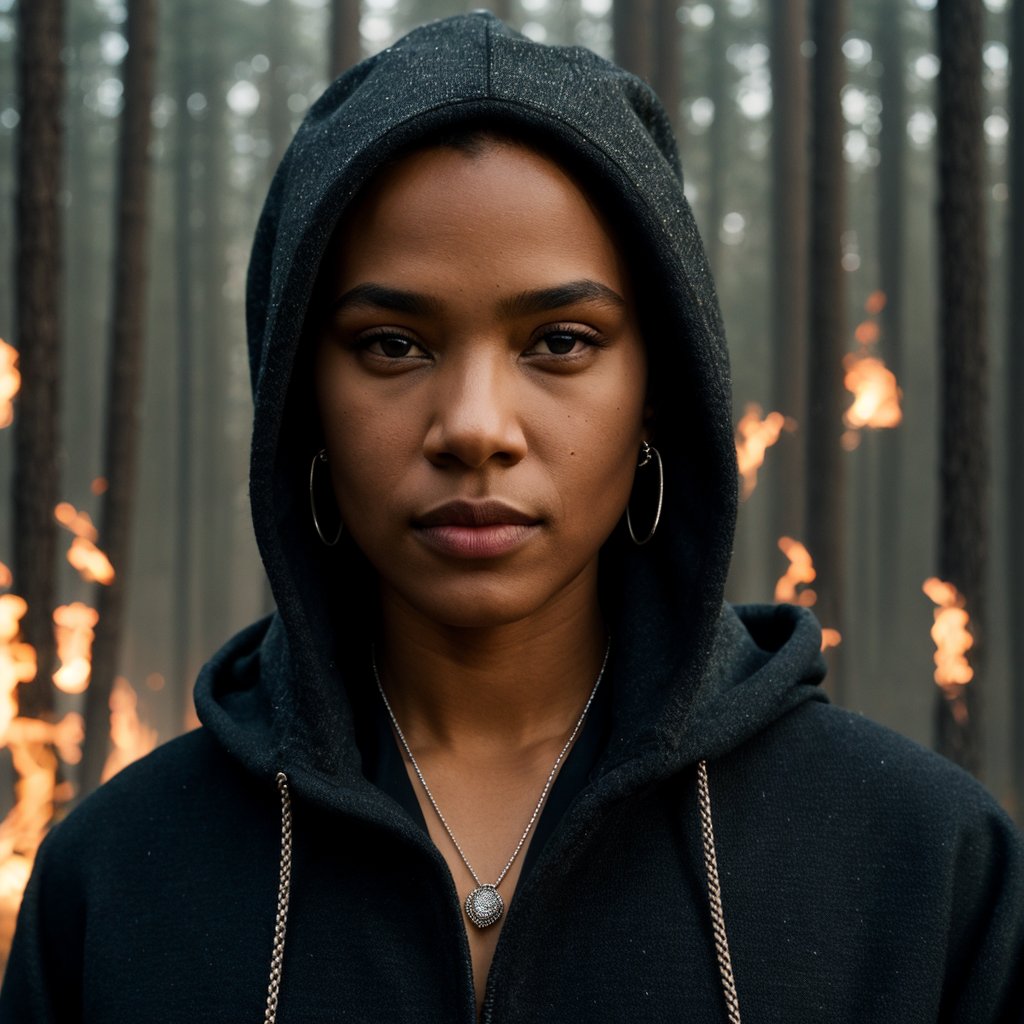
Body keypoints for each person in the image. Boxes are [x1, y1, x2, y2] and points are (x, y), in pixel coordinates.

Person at [2, 13, 1022, 1023]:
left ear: (657, 387)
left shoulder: (922, 868)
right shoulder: (115, 884)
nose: (475, 429)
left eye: (561, 341)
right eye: (393, 344)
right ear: (298, 393)